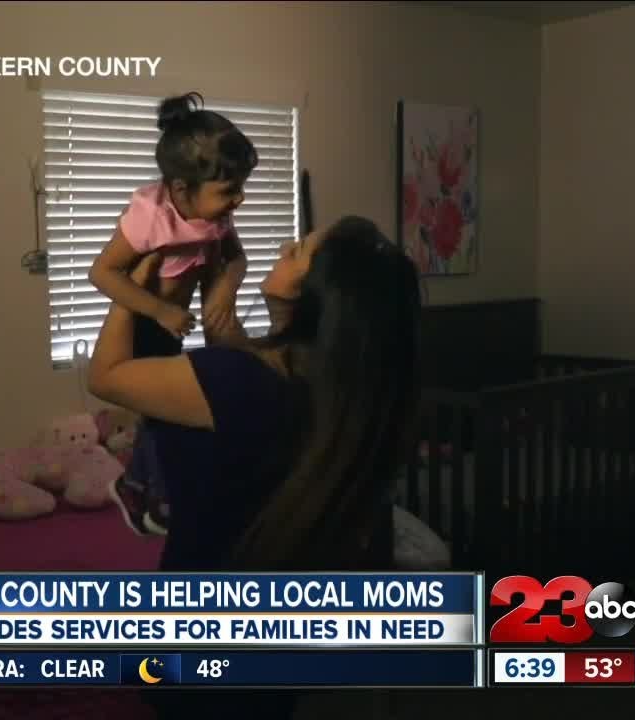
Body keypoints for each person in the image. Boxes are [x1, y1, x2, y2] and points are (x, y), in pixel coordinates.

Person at [87, 215, 422, 719]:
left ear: (313, 295)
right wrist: (225, 285)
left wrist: (128, 292)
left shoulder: (235, 381)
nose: (285, 246)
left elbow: (107, 376)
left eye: (298, 251)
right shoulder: (333, 393)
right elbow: (237, 355)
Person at [89, 91, 257, 535]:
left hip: (174, 325)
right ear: (181, 188)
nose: (239, 199)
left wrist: (225, 290)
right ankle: (147, 489)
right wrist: (159, 309)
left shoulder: (215, 215)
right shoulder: (150, 215)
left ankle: (139, 484)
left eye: (242, 187)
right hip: (145, 323)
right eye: (229, 190)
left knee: (171, 412)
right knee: (161, 412)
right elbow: (103, 272)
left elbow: (236, 259)